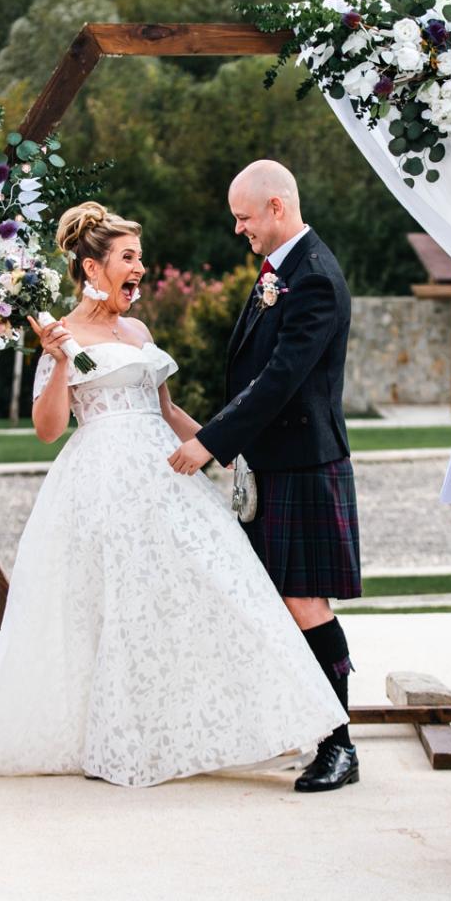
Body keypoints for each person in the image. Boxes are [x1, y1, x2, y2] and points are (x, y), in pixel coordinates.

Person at [0, 202, 345, 786]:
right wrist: (56, 362)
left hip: (166, 476)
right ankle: (120, 734)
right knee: (116, 605)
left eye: (141, 258)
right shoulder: (62, 334)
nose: (140, 269)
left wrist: (225, 450)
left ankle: (281, 722)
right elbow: (48, 428)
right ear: (92, 268)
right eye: (128, 258)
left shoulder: (140, 332)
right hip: (102, 480)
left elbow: (166, 410)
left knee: (218, 588)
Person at [167, 160, 364, 793]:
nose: (239, 229)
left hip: (304, 461)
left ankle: (339, 745)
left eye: (244, 217)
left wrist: (211, 442)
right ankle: (304, 726)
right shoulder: (283, 270)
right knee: (278, 602)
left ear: (277, 206)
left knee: (304, 601)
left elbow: (280, 379)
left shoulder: (315, 278)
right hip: (277, 460)